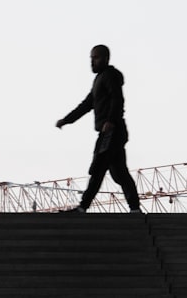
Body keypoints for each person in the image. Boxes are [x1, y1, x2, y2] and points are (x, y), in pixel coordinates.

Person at [55, 44, 141, 213]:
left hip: (111, 131)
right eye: (91, 58)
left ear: (106, 58)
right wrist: (66, 120)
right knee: (119, 173)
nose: (92, 62)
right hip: (110, 131)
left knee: (99, 168)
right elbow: (87, 104)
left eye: (96, 58)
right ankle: (135, 209)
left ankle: (83, 206)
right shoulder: (99, 80)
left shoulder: (110, 76)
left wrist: (110, 120)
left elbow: (118, 99)